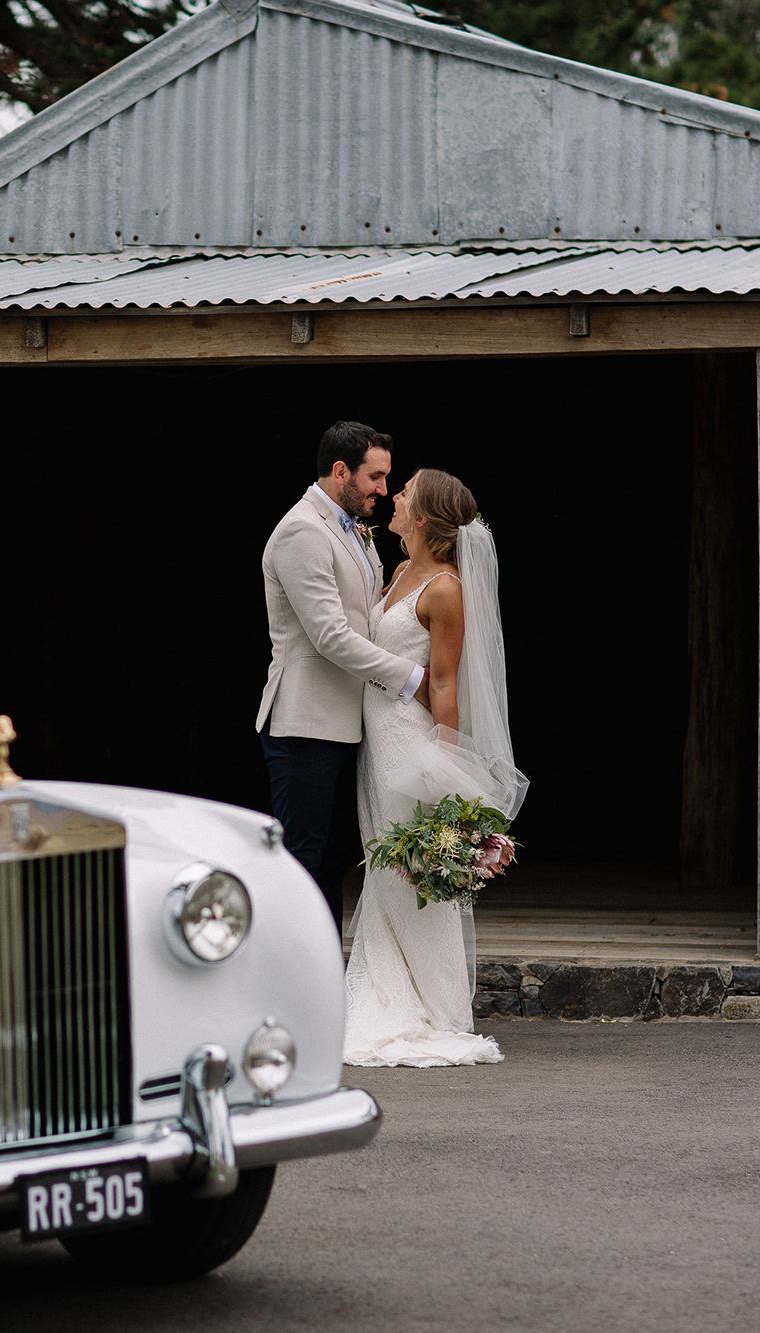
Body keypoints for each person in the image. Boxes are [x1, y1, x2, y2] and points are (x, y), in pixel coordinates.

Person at [343, 468, 527, 1068]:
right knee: (382, 859)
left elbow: (444, 682)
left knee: (406, 870)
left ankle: (429, 1007)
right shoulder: (399, 572)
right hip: (377, 742)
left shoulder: (446, 588)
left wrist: (445, 771)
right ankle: (385, 986)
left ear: (421, 518)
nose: (392, 498)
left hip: (411, 746)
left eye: (404, 494)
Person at [258, 422, 426, 930]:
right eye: (374, 477)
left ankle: (326, 977)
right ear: (339, 472)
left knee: (331, 860)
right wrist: (410, 677)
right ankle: (293, 982)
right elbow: (330, 636)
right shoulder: (301, 532)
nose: (382, 489)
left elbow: (367, 613)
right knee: (302, 861)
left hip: (346, 722)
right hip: (304, 724)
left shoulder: (353, 527)